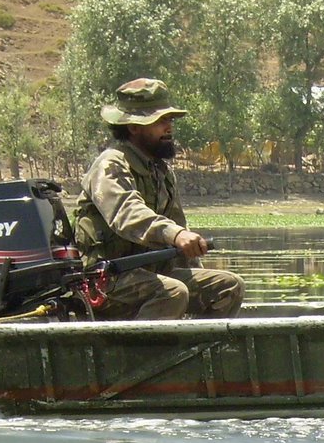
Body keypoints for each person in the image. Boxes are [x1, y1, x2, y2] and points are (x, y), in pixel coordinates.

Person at [74, 78, 245, 321]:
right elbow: (127, 213)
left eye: (170, 120)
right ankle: (139, 358)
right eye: (160, 121)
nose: (169, 127)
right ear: (134, 127)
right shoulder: (110, 164)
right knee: (173, 293)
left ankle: (196, 354)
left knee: (228, 286)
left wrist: (186, 247)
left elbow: (181, 238)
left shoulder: (161, 172)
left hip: (148, 275)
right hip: (106, 279)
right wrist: (174, 234)